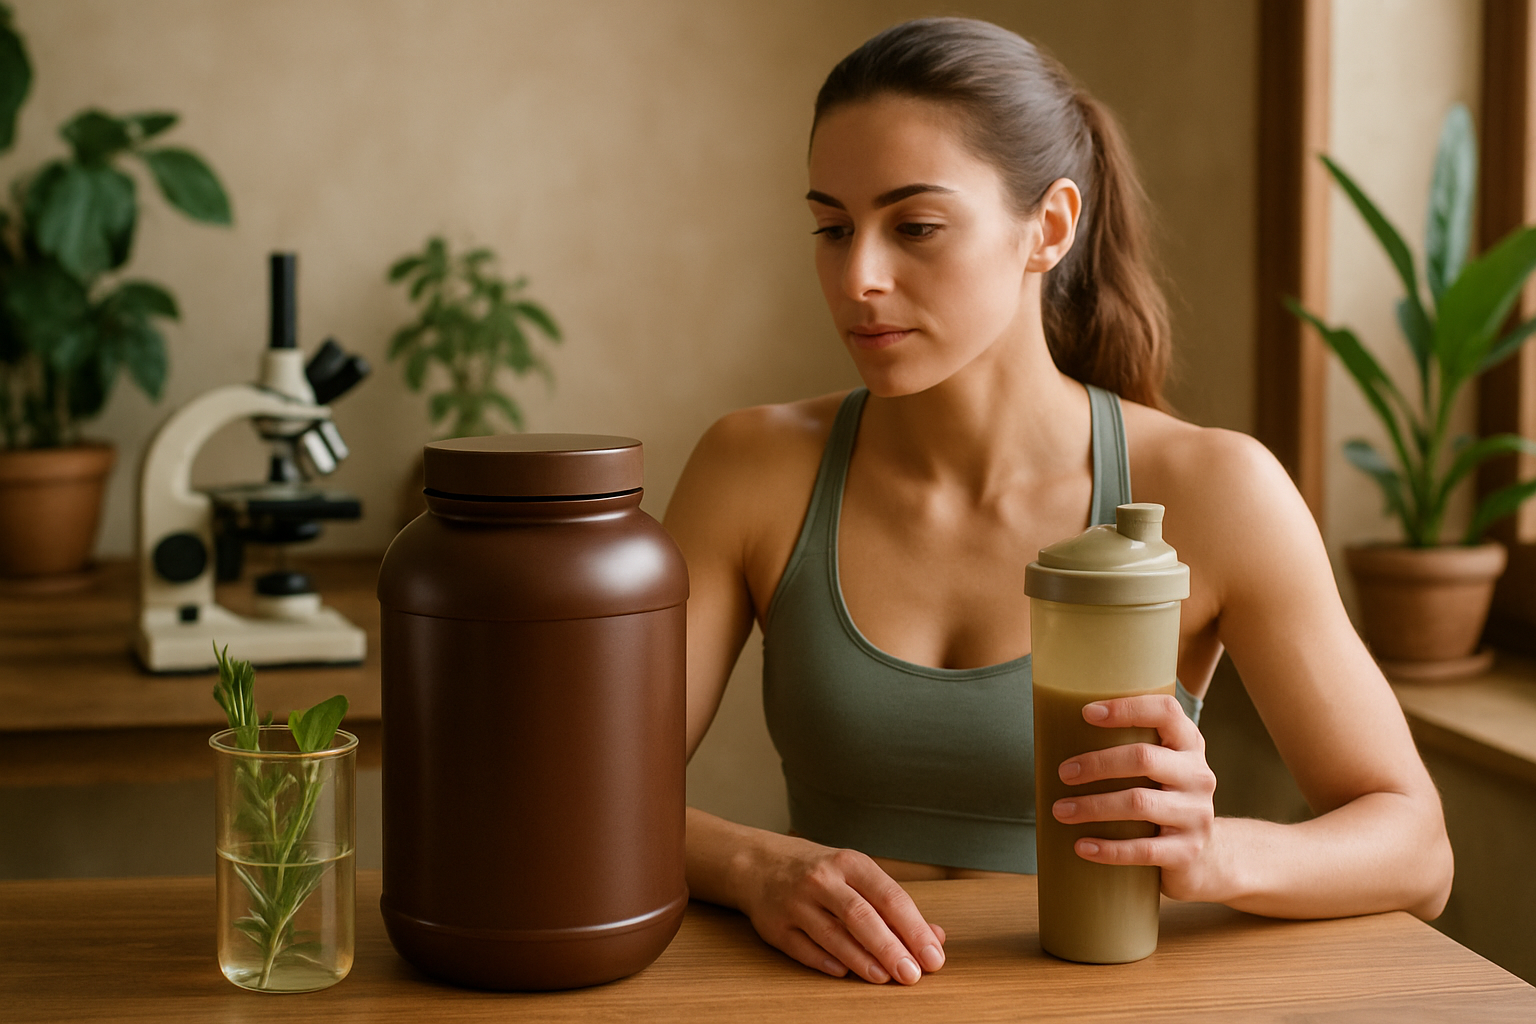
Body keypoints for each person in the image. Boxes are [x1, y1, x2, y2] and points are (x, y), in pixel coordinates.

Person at [663, 17, 1452, 988]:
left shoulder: (1215, 490)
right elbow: (583, 791)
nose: (858, 277)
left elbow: (1417, 849)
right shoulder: (753, 466)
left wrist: (1218, 853)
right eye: (832, 227)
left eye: (914, 226)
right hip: (840, 1001)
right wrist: (754, 864)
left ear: (1049, 227)